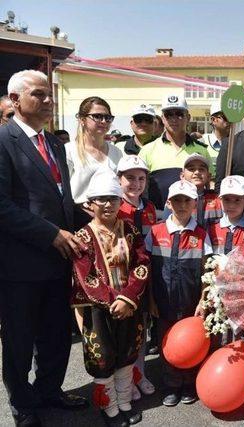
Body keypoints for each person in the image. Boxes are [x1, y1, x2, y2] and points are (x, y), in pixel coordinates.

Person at [0, 69, 88, 427]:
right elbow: (3, 206)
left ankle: (50, 390)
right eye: (39, 94)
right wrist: (51, 233)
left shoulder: (54, 144)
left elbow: (58, 199)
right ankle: (23, 404)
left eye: (50, 94)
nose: (48, 100)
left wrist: (92, 218)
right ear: (16, 100)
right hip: (21, 264)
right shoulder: (4, 141)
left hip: (58, 261)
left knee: (55, 335)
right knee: (20, 340)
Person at [71, 169, 149, 426]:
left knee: (127, 353)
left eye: (113, 199)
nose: (107, 204)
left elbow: (142, 263)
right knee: (103, 358)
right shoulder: (83, 236)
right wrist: (113, 300)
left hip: (129, 305)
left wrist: (127, 298)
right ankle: (110, 408)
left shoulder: (130, 230)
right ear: (90, 203)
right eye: (101, 199)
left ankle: (124, 401)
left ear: (120, 202)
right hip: (98, 310)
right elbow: (87, 277)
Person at [145, 180, 213, 407]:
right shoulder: (155, 232)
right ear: (168, 203)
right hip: (163, 303)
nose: (182, 205)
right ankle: (172, 386)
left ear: (195, 204)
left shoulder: (202, 234)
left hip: (191, 304)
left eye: (187, 200)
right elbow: (149, 271)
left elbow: (207, 271)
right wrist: (151, 300)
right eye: (177, 200)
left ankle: (189, 384)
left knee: (192, 345)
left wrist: (203, 300)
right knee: (167, 344)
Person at [115, 155, 157, 401]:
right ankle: (124, 377)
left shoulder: (150, 208)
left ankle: (139, 372)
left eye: (141, 178)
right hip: (122, 280)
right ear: (118, 179)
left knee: (141, 328)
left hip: (146, 277)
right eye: (129, 178)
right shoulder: (114, 207)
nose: (136, 183)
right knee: (123, 331)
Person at [138, 94, 211, 212]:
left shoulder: (202, 150)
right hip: (158, 220)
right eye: (168, 114)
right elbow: (140, 189)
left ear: (188, 117)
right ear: (162, 118)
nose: (174, 119)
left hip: (195, 220)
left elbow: (208, 185)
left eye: (179, 114)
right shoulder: (147, 150)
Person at [66, 96, 123, 229]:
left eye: (107, 118)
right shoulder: (69, 151)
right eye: (97, 116)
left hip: (111, 220)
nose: (103, 121)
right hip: (79, 220)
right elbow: (62, 193)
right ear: (82, 119)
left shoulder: (117, 152)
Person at [208, 175, 244, 254]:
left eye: (237, 200)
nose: (231, 205)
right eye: (226, 199)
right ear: (220, 201)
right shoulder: (211, 228)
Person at [177, 153, 222, 228]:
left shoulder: (218, 200)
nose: (197, 172)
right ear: (182, 176)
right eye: (191, 169)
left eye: (201, 169)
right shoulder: (174, 199)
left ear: (208, 176)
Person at [201, 100, 230, 181]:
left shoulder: (237, 143)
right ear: (213, 120)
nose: (230, 121)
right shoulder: (202, 142)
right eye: (226, 117)